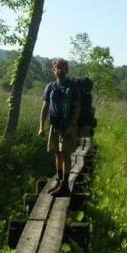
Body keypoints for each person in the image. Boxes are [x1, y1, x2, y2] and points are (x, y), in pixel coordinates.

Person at [38, 58, 81, 197]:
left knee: (66, 154)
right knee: (57, 153)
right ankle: (59, 181)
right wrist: (41, 127)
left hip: (67, 126)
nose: (59, 70)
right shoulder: (50, 86)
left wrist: (73, 125)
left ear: (66, 70)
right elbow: (45, 108)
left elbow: (77, 107)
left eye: (62, 68)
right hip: (54, 125)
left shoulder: (72, 86)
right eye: (57, 68)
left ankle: (65, 186)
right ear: (53, 70)